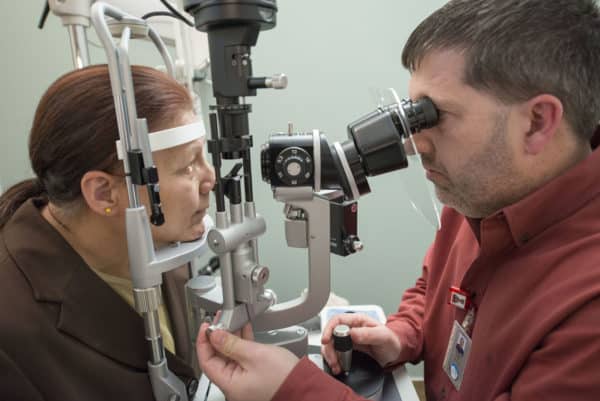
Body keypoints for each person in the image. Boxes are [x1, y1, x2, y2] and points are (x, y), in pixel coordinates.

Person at [196, 0, 600, 400]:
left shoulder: (588, 311)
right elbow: (435, 289)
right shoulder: (484, 192)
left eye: (433, 116)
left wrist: (295, 391)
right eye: (411, 116)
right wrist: (402, 333)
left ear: (536, 123)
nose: (413, 144)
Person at [0, 64, 215, 400]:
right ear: (103, 193)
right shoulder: (11, 331)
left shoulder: (161, 243)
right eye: (188, 165)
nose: (210, 178)